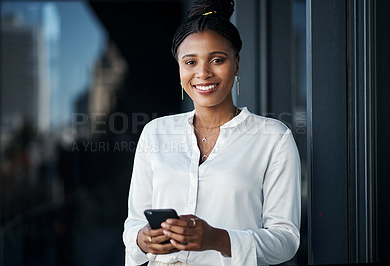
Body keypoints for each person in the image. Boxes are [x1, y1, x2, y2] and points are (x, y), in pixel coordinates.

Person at [123, 0, 301, 265]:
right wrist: (143, 238)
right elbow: (134, 224)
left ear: (236, 65)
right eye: (190, 62)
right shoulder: (155, 133)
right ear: (180, 69)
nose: (203, 73)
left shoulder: (273, 138)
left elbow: (286, 240)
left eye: (217, 60)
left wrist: (216, 239)